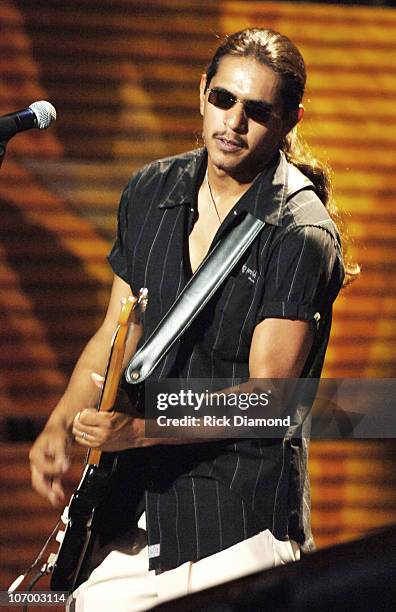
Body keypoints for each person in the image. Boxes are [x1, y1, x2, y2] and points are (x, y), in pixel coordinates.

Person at [29, 28, 347, 611]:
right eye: (223, 99)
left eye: (256, 111)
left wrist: (139, 429)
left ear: (288, 121)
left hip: (236, 518)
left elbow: (269, 398)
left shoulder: (299, 231)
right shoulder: (151, 189)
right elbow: (115, 332)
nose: (233, 122)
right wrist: (62, 418)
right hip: (137, 505)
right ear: (202, 92)